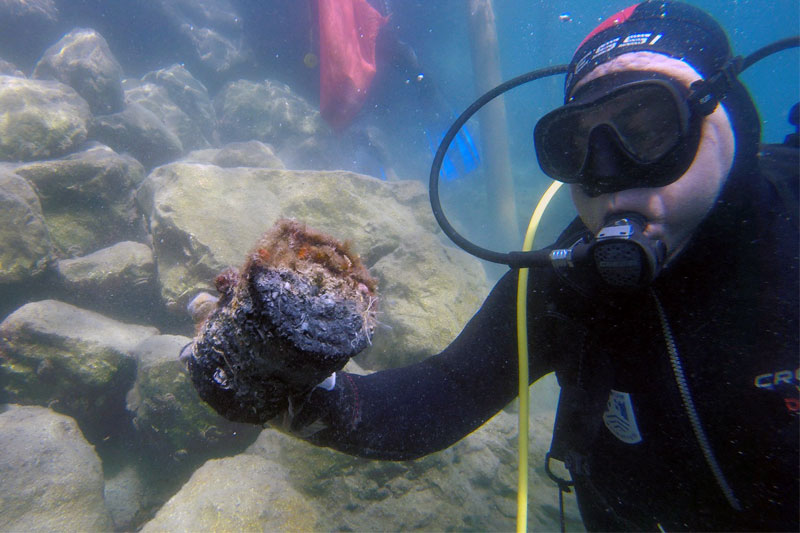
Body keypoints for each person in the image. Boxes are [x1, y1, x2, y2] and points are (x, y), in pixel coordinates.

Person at [183, 2, 799, 530]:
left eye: (648, 126)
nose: (610, 169)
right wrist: (296, 396)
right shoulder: (571, 283)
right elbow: (444, 395)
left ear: (731, 116)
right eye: (578, 144)